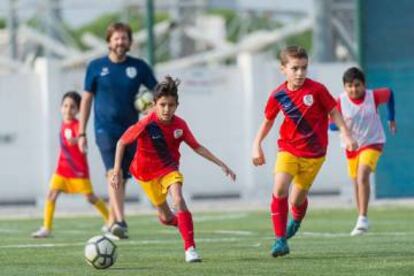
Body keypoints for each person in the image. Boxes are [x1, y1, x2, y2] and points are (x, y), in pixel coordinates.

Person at [111, 76, 236, 262]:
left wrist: (221, 164)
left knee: (178, 200)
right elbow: (122, 142)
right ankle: (182, 223)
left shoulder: (180, 125)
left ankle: (190, 249)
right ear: (154, 104)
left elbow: (197, 147)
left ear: (177, 105)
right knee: (166, 218)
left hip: (169, 170)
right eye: (162, 105)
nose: (166, 109)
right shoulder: (146, 123)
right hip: (145, 175)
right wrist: (116, 172)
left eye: (171, 105)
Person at [251, 46, 357, 257]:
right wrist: (257, 145)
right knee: (280, 189)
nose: (300, 73)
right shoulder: (278, 95)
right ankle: (280, 240)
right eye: (295, 68)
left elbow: (334, 112)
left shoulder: (317, 90)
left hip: (315, 154)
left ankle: (297, 219)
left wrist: (345, 134)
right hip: (288, 149)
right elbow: (268, 122)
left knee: (296, 200)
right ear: (283, 69)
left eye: (304, 68)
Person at [78, 22, 158, 239]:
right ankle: (121, 221)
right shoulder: (95, 67)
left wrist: (151, 107)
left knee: (121, 178)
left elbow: (157, 92)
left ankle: (112, 220)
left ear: (130, 42)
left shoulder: (139, 67)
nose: (120, 42)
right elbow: (86, 100)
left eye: (124, 38)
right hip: (104, 129)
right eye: (116, 38)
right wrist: (81, 132)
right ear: (109, 41)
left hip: (131, 131)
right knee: (114, 173)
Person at [32, 91, 109, 238]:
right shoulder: (63, 124)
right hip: (62, 169)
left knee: (90, 197)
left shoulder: (78, 126)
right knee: (51, 194)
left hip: (78, 169)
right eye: (65, 106)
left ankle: (110, 219)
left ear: (79, 110)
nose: (68, 109)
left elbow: (80, 141)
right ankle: (46, 228)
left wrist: (79, 142)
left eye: (72, 107)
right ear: (61, 107)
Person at [331, 67, 396, 236]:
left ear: (364, 85)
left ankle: (363, 217)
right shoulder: (340, 101)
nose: (354, 89)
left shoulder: (373, 96)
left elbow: (389, 94)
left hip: (373, 142)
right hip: (351, 146)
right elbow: (332, 124)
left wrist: (391, 118)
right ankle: (361, 220)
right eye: (349, 86)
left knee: (362, 175)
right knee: (355, 181)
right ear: (344, 87)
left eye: (357, 85)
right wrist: (336, 126)